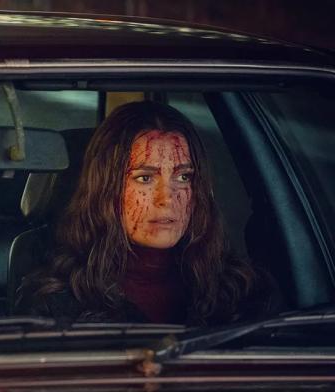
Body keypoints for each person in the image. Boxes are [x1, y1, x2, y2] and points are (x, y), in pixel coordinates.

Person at [15, 101, 273, 326]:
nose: (166, 198)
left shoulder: (238, 289)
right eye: (145, 178)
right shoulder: (57, 300)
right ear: (107, 189)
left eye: (183, 177)